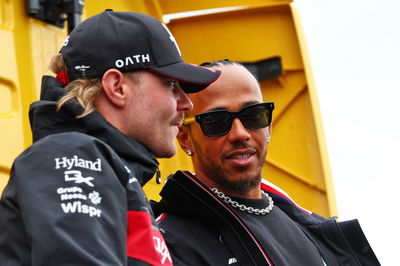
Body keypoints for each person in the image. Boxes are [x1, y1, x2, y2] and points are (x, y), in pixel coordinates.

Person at [0, 10, 220, 266]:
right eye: (171, 85)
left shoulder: (107, 170)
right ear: (117, 87)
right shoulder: (70, 155)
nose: (186, 104)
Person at [154, 60, 380, 265]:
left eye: (253, 115)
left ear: (268, 126)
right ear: (185, 138)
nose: (239, 134)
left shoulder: (309, 227)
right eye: (217, 121)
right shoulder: (165, 242)